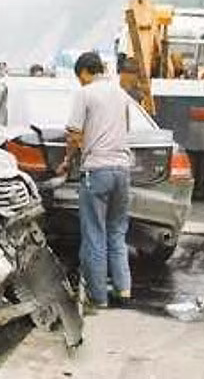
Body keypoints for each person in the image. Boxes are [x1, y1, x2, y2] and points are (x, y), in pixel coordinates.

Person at [57, 52, 132, 309]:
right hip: (122, 171)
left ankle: (98, 298)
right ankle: (123, 290)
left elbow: (74, 133)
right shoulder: (120, 94)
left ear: (85, 73)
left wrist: (67, 160)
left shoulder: (85, 93)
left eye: (80, 78)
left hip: (97, 171)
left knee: (94, 234)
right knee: (117, 233)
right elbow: (125, 129)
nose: (80, 82)